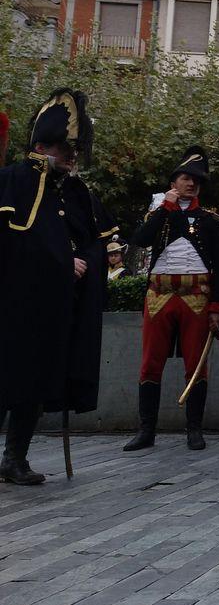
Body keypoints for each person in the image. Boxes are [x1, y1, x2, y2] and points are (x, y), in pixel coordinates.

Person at [0, 89, 115, 484]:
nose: (72, 156)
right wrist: (63, 264)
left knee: (33, 385)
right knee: (5, 379)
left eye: (74, 149)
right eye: (65, 148)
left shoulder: (77, 193)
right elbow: (14, 242)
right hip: (14, 304)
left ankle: (14, 459)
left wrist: (85, 261)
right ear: (40, 145)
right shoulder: (13, 180)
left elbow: (97, 245)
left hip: (55, 309)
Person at [124, 147, 219, 452]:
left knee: (196, 365)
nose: (191, 183)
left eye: (196, 180)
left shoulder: (210, 220)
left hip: (196, 297)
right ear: (173, 182)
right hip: (159, 296)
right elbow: (141, 240)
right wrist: (165, 209)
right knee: (150, 364)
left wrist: (217, 306)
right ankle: (146, 430)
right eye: (185, 178)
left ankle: (194, 430)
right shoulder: (158, 215)